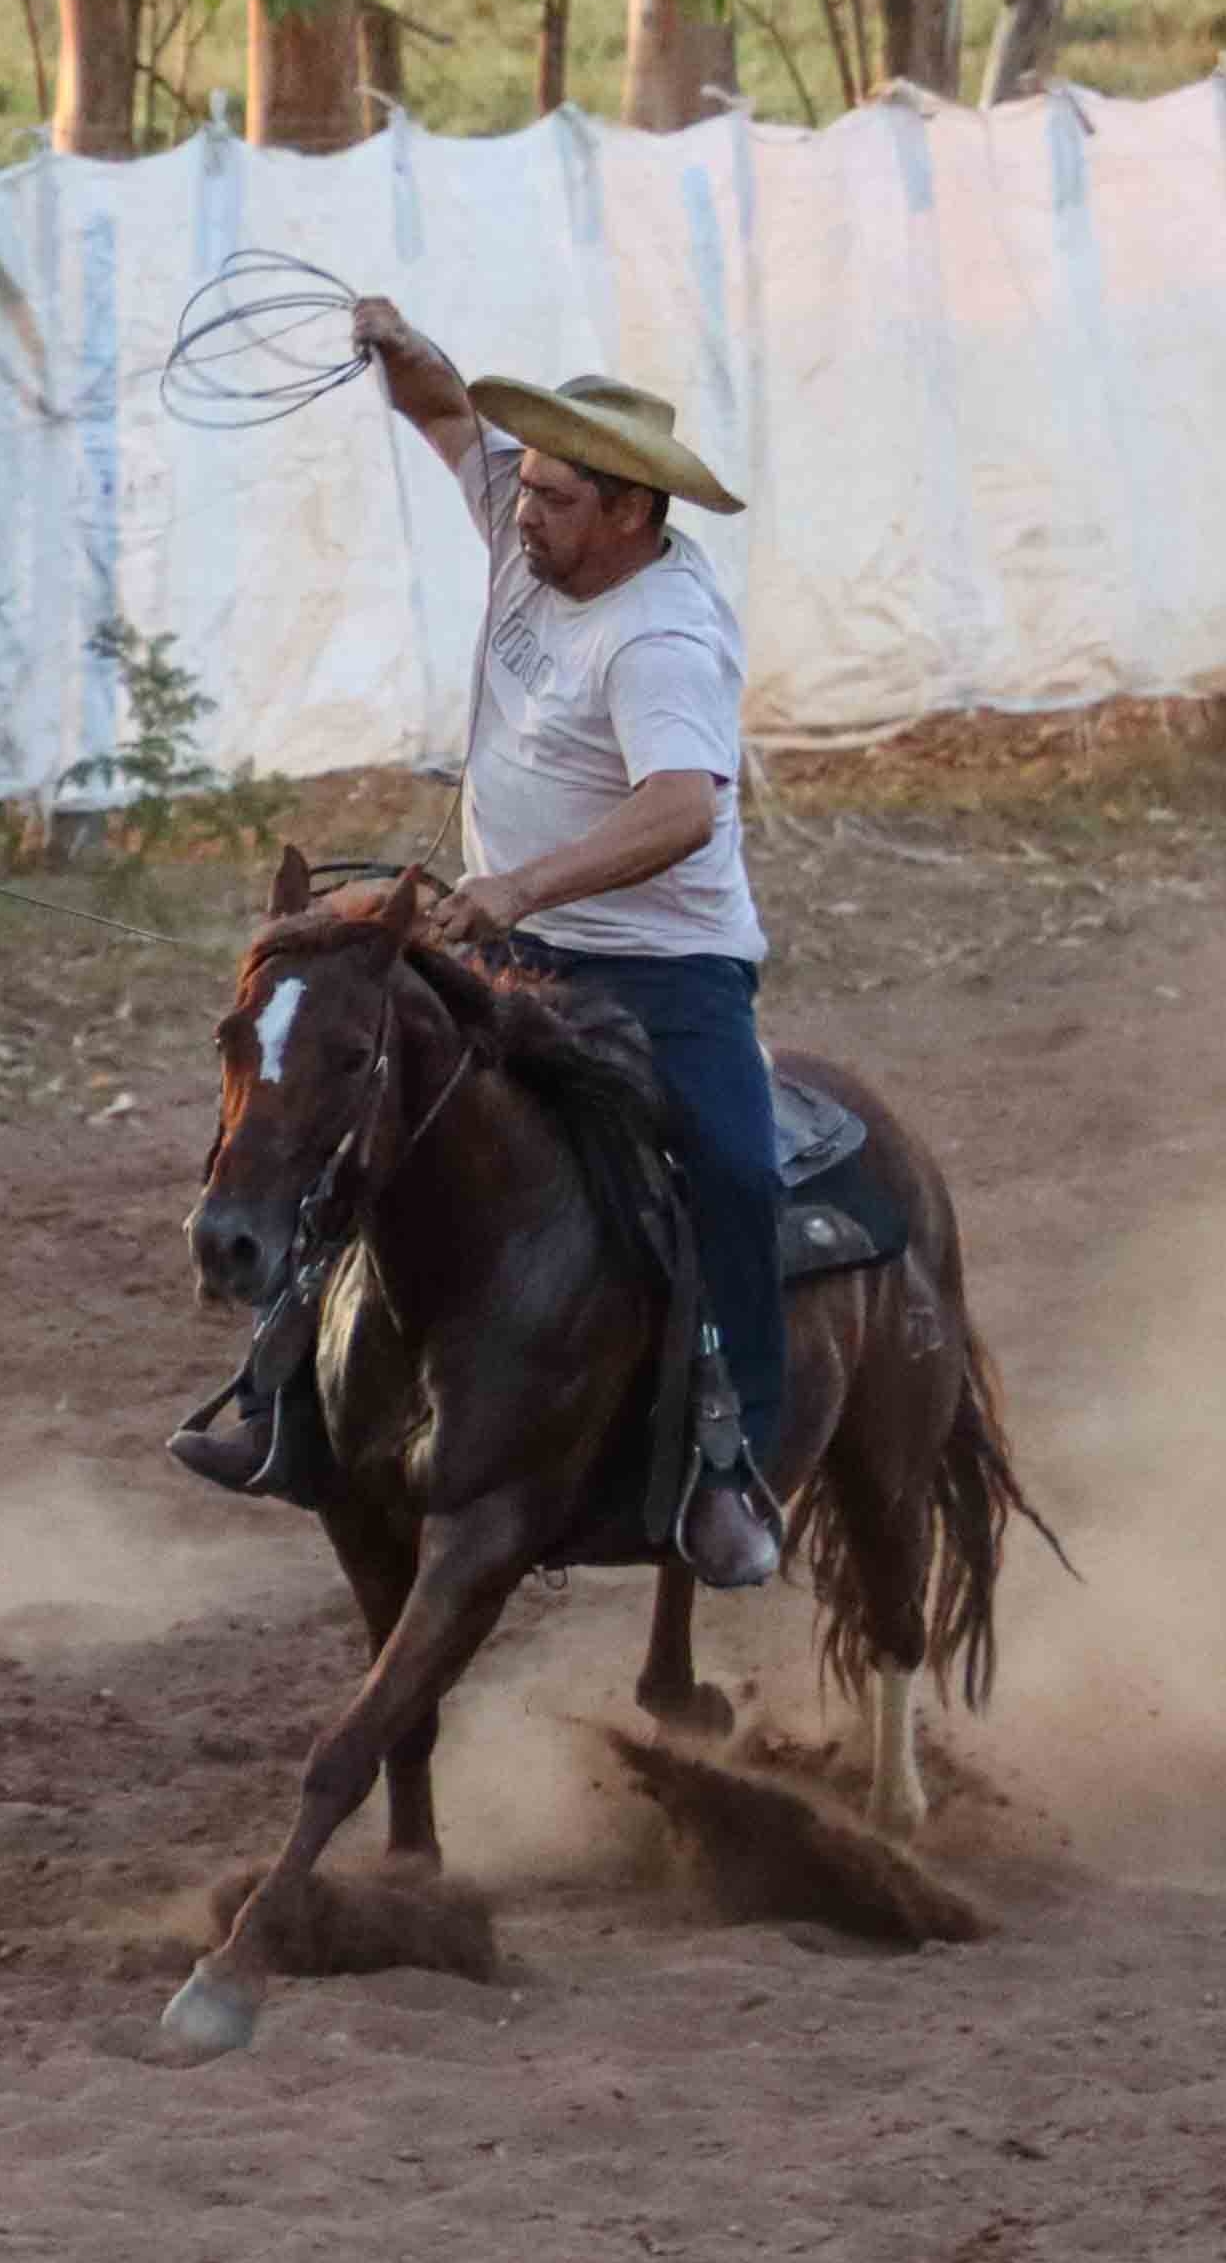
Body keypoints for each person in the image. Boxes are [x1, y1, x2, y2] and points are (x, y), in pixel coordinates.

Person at [179, 297, 791, 1591]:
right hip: (518, 935)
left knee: (736, 1173)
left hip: (662, 971)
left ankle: (731, 1456)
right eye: (530, 486)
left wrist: (515, 890)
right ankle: (287, 1390)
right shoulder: (541, 530)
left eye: (556, 498)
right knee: (353, 1098)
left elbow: (681, 809)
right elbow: (451, 416)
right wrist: (403, 352)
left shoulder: (661, 638)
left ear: (631, 513)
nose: (523, 510)